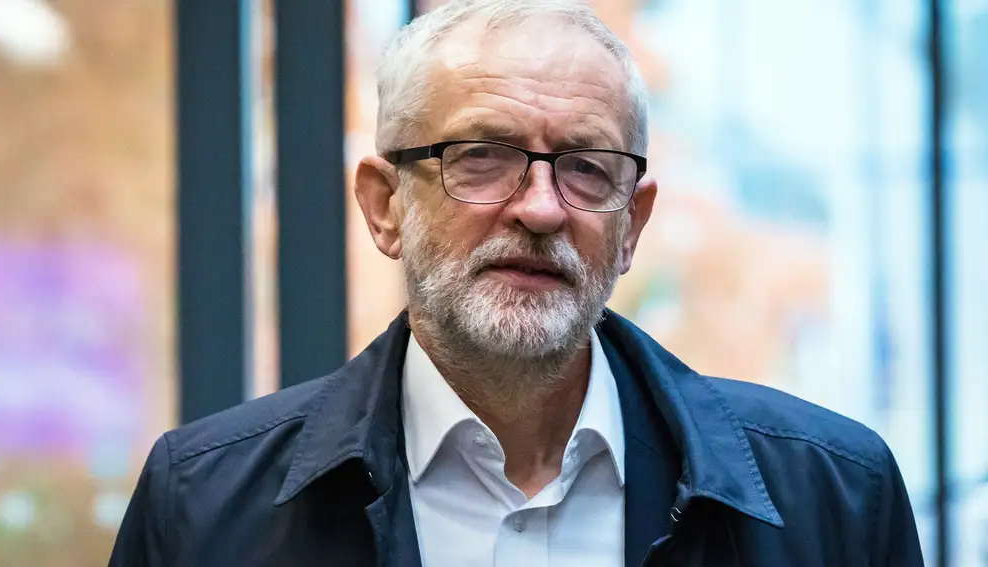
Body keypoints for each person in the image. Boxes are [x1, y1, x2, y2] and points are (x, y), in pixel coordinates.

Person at [110, 1, 924, 566]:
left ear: (632, 224)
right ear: (384, 205)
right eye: (480, 157)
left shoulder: (834, 499)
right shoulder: (204, 508)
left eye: (585, 167)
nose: (539, 208)